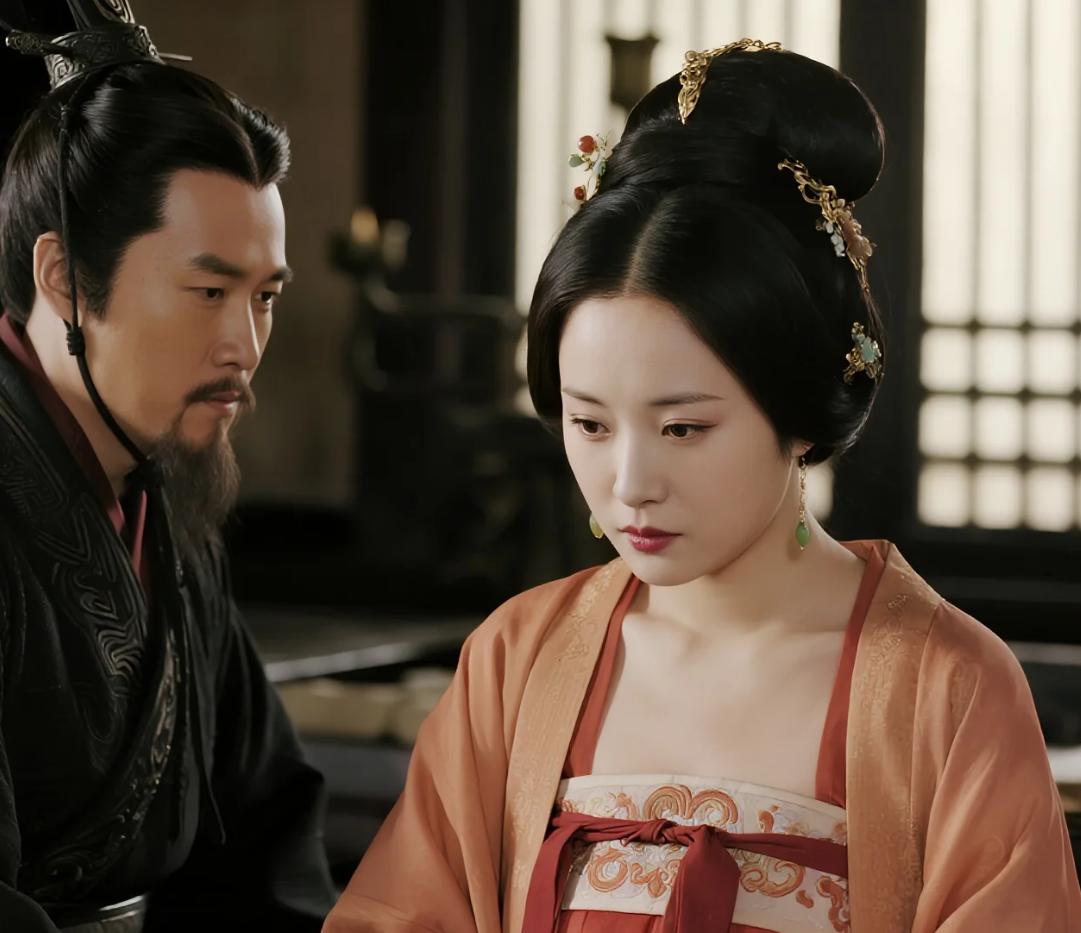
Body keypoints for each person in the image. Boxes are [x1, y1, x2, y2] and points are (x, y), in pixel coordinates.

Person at [323, 40, 1081, 933]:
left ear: (798, 410)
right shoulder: (518, 658)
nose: (630, 484)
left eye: (683, 427)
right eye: (589, 424)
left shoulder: (945, 689)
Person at [0, 1, 336, 929]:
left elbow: (266, 836)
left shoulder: (167, 515)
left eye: (263, 297)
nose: (245, 346)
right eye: (207, 290)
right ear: (65, 278)